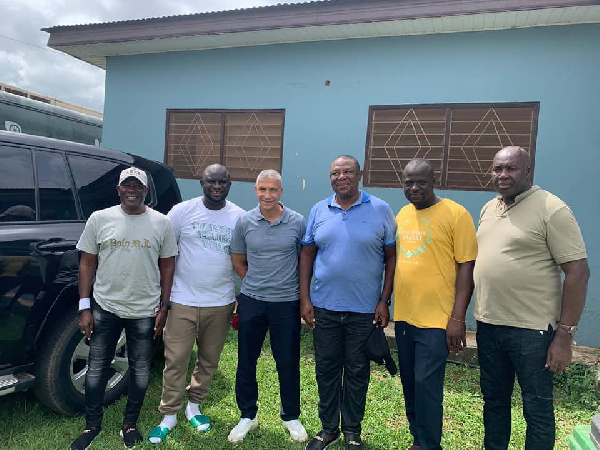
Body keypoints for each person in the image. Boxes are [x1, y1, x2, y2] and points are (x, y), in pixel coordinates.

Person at [474, 146, 590, 450]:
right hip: (489, 325)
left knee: (537, 409)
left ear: (528, 171)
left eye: (510, 169)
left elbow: (578, 272)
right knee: (494, 403)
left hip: (533, 332)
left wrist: (564, 335)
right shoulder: (489, 208)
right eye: (497, 169)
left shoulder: (551, 209)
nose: (502, 175)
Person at [71, 167, 178, 450]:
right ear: (118, 190)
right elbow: (87, 262)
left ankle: (129, 424)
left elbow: (168, 265)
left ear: (146, 191)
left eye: (138, 186)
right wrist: (85, 307)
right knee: (96, 370)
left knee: (140, 372)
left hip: (145, 310)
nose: (132, 190)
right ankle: (92, 425)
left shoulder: (162, 223)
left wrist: (165, 306)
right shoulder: (100, 219)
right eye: (127, 186)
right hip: (105, 307)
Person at [300, 155, 396, 450]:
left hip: (364, 310)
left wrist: (384, 300)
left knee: (357, 371)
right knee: (327, 370)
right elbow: (306, 254)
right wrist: (304, 299)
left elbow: (391, 257)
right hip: (325, 308)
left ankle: (352, 431)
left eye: (347, 172)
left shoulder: (380, 209)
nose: (341, 177)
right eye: (335, 173)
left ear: (360, 175)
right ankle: (328, 429)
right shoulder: (319, 209)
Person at [148, 164, 245, 444]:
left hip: (221, 301)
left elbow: (241, 260)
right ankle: (169, 414)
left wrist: (241, 296)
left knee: (209, 360)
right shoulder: (181, 212)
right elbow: (166, 255)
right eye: (211, 181)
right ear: (201, 182)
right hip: (182, 300)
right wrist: (163, 299)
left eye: (222, 182)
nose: (217, 186)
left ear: (230, 183)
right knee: (175, 359)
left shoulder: (239, 217)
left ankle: (194, 406)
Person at [393, 158, 477, 450]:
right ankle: (419, 438)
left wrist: (457, 318)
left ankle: (428, 444)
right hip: (404, 317)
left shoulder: (456, 214)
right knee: (411, 383)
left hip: (437, 320)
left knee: (427, 386)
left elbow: (467, 267)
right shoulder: (402, 214)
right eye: (408, 182)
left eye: (421, 182)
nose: (414, 187)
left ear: (433, 181)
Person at [228, 169, 308, 443]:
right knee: (246, 360)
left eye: (273, 190)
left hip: (286, 303)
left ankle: (291, 416)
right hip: (252, 301)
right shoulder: (245, 221)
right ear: (256, 190)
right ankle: (247, 414)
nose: (268, 195)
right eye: (263, 189)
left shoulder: (297, 222)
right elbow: (238, 260)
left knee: (287, 361)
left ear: (281, 192)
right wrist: (254, 283)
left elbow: (303, 262)